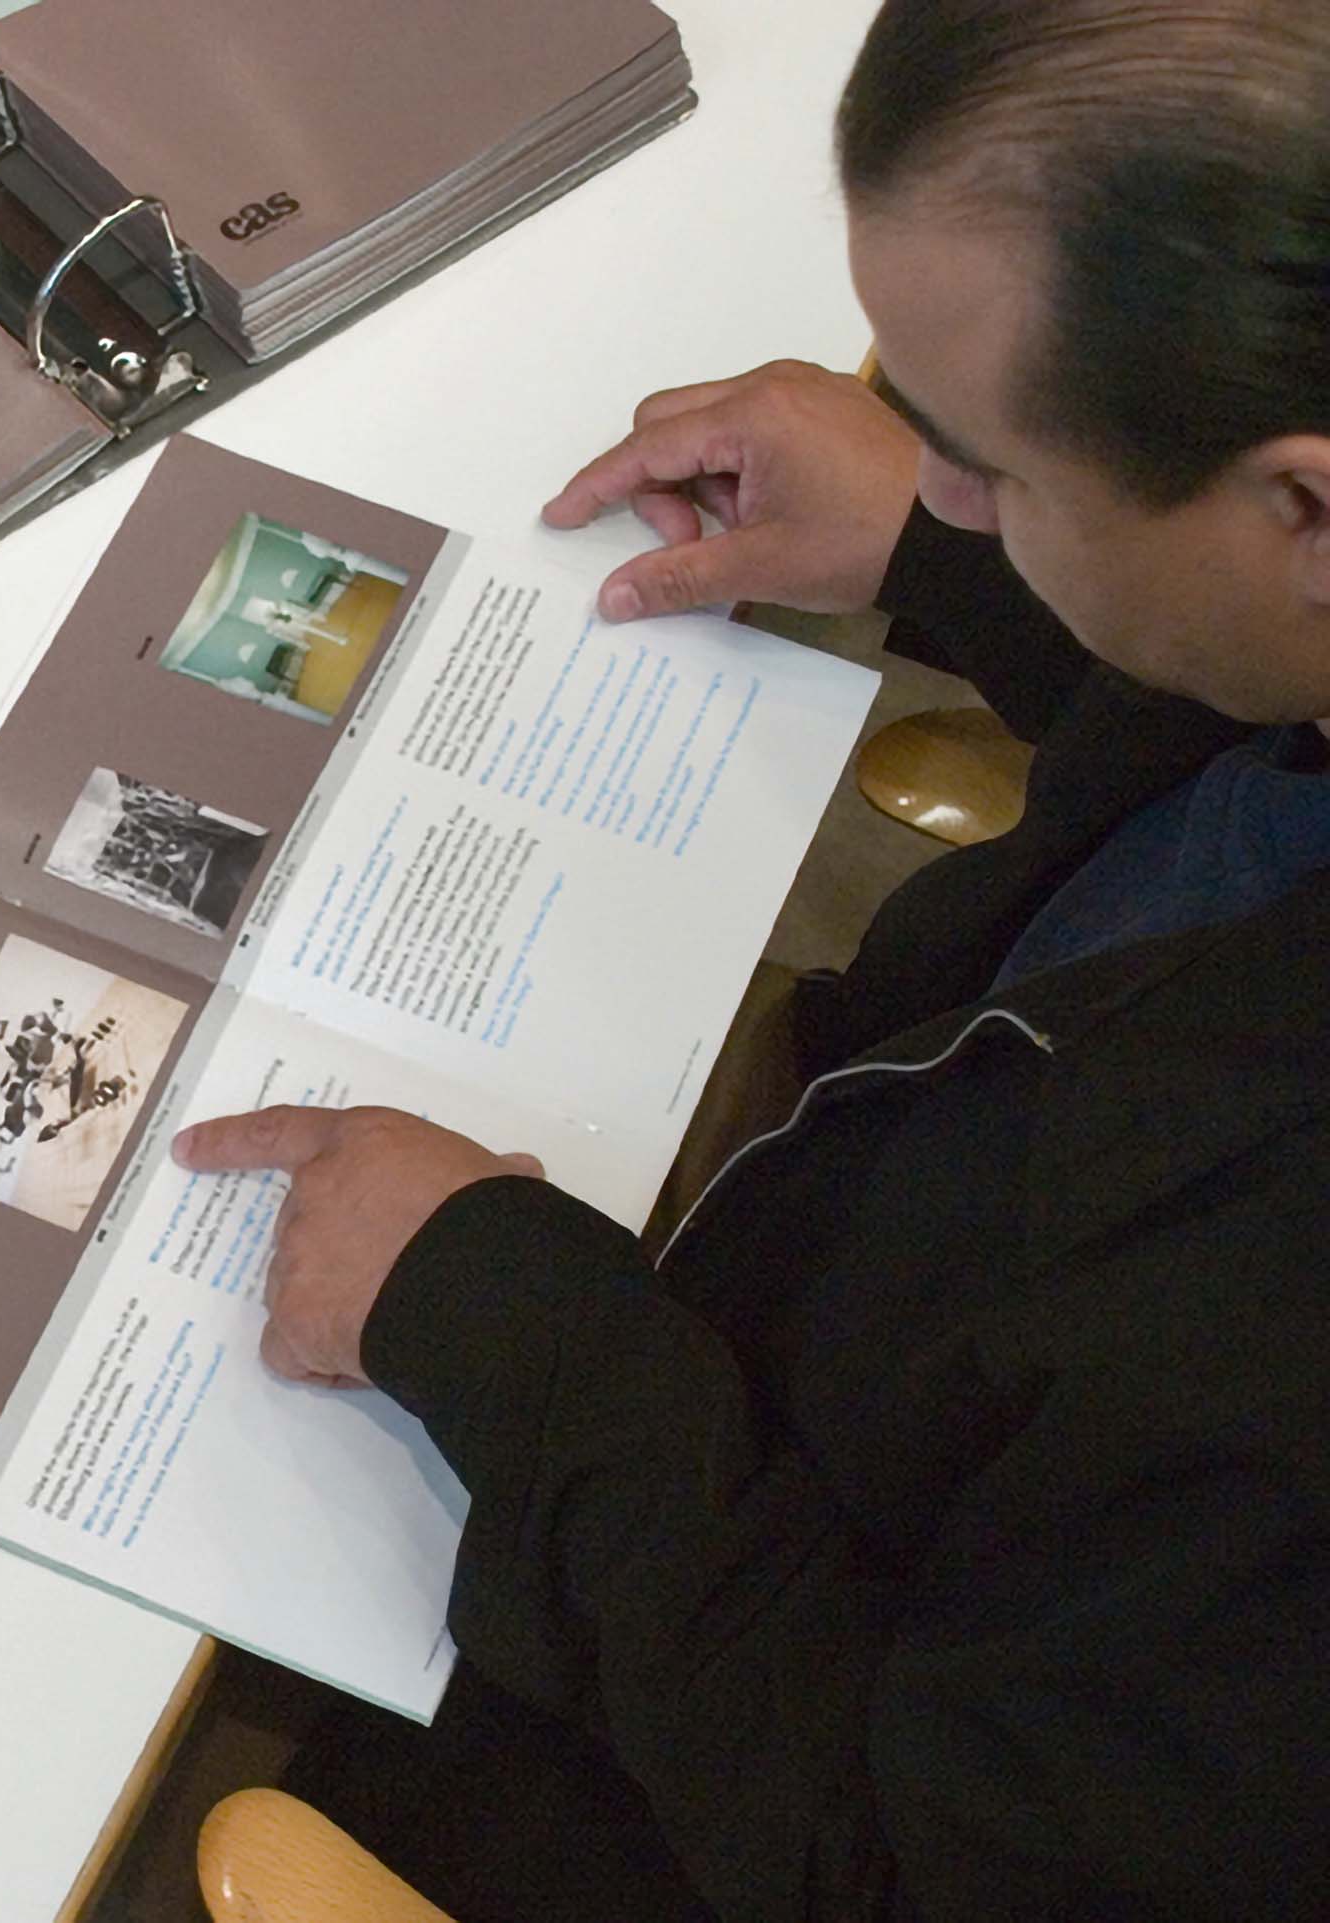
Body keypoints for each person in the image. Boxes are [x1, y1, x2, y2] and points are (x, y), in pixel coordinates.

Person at [176, 2, 1330, 1914]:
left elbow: (898, 1863)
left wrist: (517, 1342)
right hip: (827, 1320)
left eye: (988, 460)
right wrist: (951, 555)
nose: (933, 480)